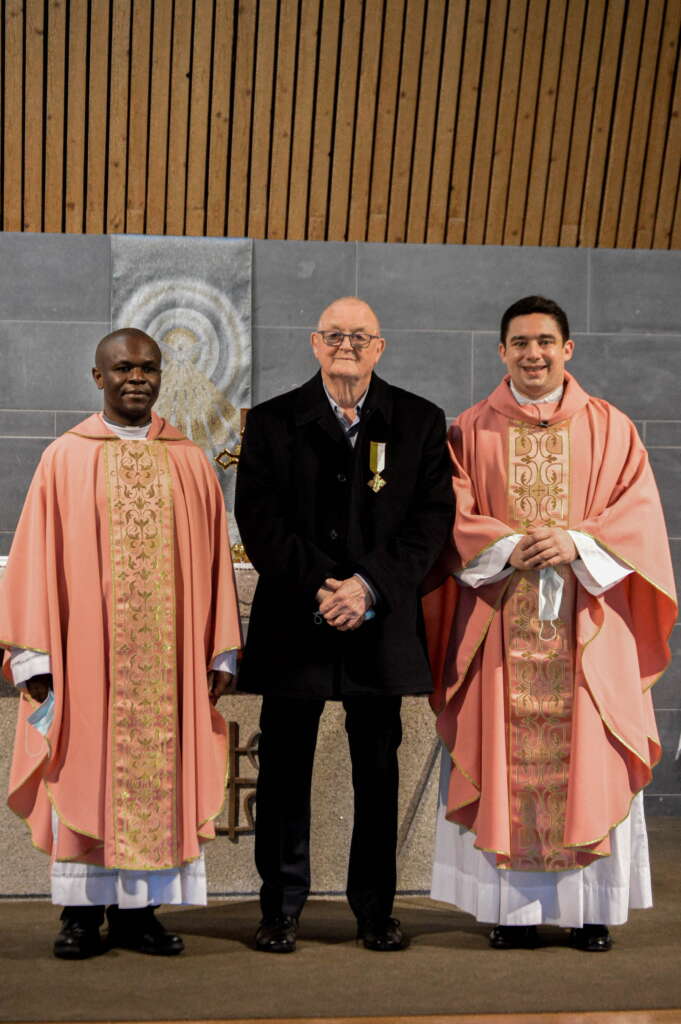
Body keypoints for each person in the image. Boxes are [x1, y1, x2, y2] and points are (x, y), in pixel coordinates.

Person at [424, 296, 677, 952]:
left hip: (585, 626)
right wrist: (505, 546)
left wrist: (576, 543)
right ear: (501, 351)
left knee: (588, 761)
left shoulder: (610, 427)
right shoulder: (470, 430)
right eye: (518, 343)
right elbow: (444, 514)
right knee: (505, 760)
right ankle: (513, 916)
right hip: (502, 627)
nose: (531, 354)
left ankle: (591, 910)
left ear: (567, 349)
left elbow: (639, 514)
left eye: (544, 341)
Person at [1, 328, 241, 959]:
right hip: (87, 663)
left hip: (169, 665)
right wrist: (34, 657)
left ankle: (140, 914)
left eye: (149, 368)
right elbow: (33, 562)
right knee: (84, 770)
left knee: (158, 780)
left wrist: (219, 652)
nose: (137, 378)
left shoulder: (188, 459)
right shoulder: (66, 457)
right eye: (123, 368)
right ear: (97, 377)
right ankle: (80, 917)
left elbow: (214, 561)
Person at [235, 296, 453, 953]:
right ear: (314, 343)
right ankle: (279, 909)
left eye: (360, 336)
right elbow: (259, 521)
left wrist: (368, 588)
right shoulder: (272, 422)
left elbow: (430, 521)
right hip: (294, 625)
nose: (347, 345)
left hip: (378, 626)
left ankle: (375, 911)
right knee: (281, 775)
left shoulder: (417, 420)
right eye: (335, 335)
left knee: (377, 775)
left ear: (380, 347)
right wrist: (324, 586)